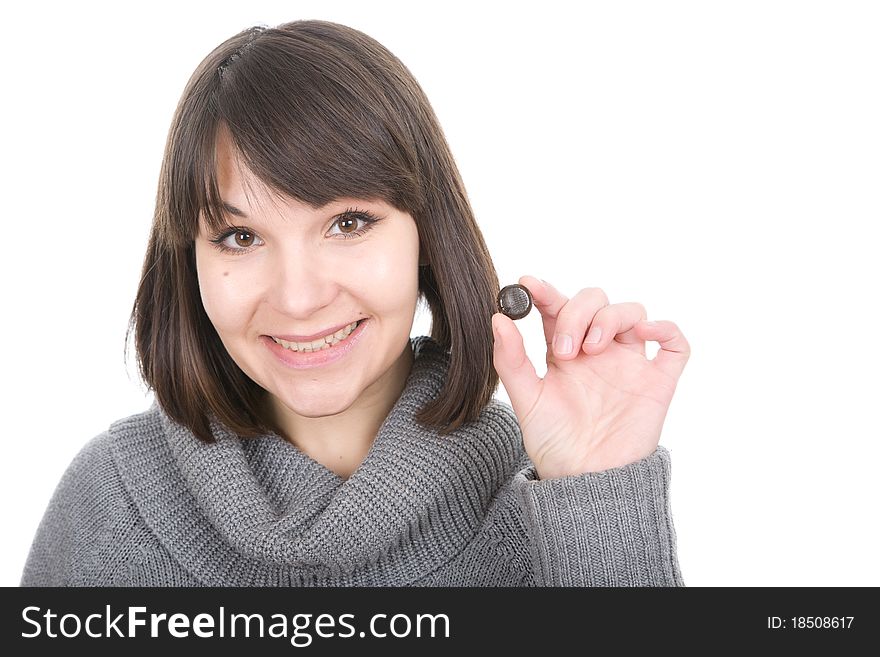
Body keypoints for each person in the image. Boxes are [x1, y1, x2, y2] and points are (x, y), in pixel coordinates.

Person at [20, 19, 690, 587]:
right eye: (240, 236)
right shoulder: (111, 505)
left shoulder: (557, 502)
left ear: (425, 232)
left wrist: (601, 500)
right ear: (189, 261)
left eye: (348, 223)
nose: (300, 295)